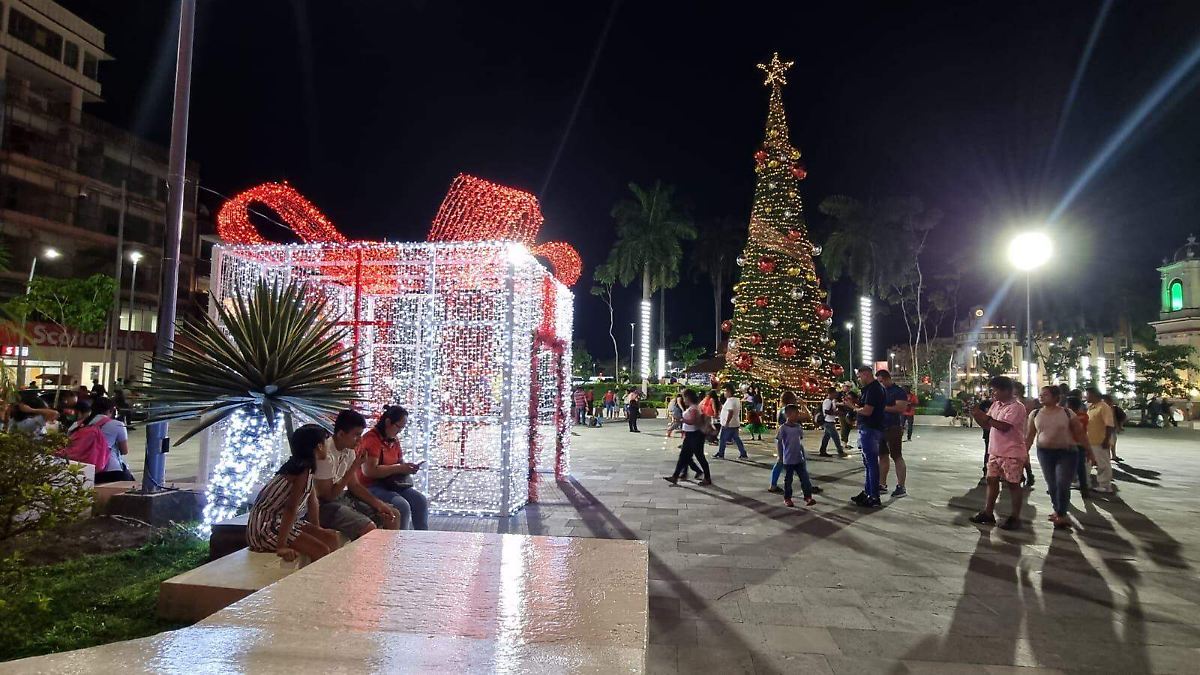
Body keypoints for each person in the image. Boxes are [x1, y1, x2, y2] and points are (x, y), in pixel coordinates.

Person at [247, 424, 341, 562]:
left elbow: (312, 501)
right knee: (321, 550)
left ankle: (331, 580)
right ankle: (315, 582)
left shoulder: (306, 468)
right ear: (319, 446)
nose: (328, 445)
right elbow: (290, 508)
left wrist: (317, 529)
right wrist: (282, 546)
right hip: (266, 527)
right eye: (326, 441)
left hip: (280, 522)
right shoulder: (301, 471)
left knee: (331, 537)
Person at [314, 409, 400, 540]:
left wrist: (379, 504)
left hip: (343, 497)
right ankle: (368, 560)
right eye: (356, 435)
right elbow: (328, 496)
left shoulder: (349, 451)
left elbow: (354, 485)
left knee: (393, 514)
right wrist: (354, 466)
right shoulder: (325, 454)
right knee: (368, 527)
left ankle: (388, 557)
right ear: (341, 434)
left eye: (361, 435)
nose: (360, 440)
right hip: (323, 505)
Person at [969, 376, 1029, 530]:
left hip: (1012, 452)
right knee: (991, 480)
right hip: (995, 451)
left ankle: (1015, 517)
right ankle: (988, 513)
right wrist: (977, 415)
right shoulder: (996, 405)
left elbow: (1004, 426)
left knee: (1013, 484)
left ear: (1007, 390)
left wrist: (985, 417)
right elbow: (987, 425)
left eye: (995, 390)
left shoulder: (1017, 407)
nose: (993, 393)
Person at [357, 406, 429, 530]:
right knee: (402, 505)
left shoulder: (394, 440)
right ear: (388, 422)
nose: (399, 431)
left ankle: (422, 539)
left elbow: (400, 462)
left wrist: (408, 468)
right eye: (398, 427)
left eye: (402, 428)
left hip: (392, 483)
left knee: (420, 500)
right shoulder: (371, 440)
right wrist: (398, 468)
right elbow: (369, 471)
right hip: (371, 486)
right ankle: (400, 542)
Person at [1026, 386, 1088, 529]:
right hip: (1045, 453)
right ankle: (1057, 509)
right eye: (1040, 394)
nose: (1041, 397)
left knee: (1062, 483)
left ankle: (1061, 514)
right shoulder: (1035, 414)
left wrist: (1088, 450)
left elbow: (1080, 433)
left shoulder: (1067, 412)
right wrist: (1025, 452)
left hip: (1067, 452)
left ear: (1056, 397)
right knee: (1052, 484)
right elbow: (1030, 435)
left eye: (1045, 394)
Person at [851, 367, 886, 508]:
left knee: (871, 463)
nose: (859, 380)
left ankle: (874, 496)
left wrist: (852, 407)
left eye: (860, 377)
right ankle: (868, 493)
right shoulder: (874, 388)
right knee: (868, 463)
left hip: (870, 429)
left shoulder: (873, 389)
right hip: (871, 428)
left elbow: (867, 410)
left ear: (866, 374)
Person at [663, 389, 712, 486]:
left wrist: (681, 420)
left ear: (688, 397)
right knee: (683, 456)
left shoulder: (693, 408)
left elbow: (692, 421)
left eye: (684, 397)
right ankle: (675, 476)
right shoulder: (692, 407)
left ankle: (707, 477)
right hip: (690, 435)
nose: (683, 399)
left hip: (695, 435)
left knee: (700, 457)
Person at [85, 397, 135, 484]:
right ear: (110, 411)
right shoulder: (117, 425)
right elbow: (124, 451)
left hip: (88, 471)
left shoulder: (79, 425)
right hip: (112, 470)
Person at [777, 404, 816, 507]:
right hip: (788, 459)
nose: (797, 416)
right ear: (787, 415)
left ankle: (808, 497)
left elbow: (800, 441)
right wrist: (780, 456)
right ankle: (787, 498)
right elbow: (779, 442)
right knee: (788, 480)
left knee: (805, 479)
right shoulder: (783, 428)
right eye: (795, 414)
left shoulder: (798, 427)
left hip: (799, 458)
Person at [877, 370, 909, 498]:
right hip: (881, 427)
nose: (880, 384)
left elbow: (901, 408)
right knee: (883, 456)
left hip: (893, 427)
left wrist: (882, 408)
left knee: (896, 456)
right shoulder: (880, 391)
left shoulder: (898, 391)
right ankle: (882, 484)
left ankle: (901, 486)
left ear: (887, 379)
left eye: (881, 381)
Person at [1084, 387, 1116, 494]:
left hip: (1100, 441)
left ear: (1094, 395)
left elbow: (1109, 425)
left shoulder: (1103, 407)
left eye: (1088, 394)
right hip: (1090, 441)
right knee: (1087, 463)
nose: (1086, 396)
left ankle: (1105, 485)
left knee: (1103, 464)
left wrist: (1106, 440)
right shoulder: (1091, 407)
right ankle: (1085, 482)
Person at [1065, 396, 1094, 499]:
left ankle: (1062, 489)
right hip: (1080, 445)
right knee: (1080, 468)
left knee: (1066, 469)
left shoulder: (1070, 417)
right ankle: (1084, 489)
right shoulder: (1084, 416)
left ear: (1069, 405)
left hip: (1069, 444)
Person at [713, 383, 748, 459]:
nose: (724, 393)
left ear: (729, 391)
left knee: (722, 439)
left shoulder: (730, 401)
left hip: (729, 424)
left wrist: (726, 422)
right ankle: (743, 453)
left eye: (725, 391)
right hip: (734, 423)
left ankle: (721, 453)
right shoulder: (736, 400)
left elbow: (730, 412)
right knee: (736, 438)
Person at [1013, 382, 1037, 488]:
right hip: (1018, 428)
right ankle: (1025, 474)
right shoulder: (1016, 401)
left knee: (1022, 453)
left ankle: (1026, 474)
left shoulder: (1027, 402)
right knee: (1020, 453)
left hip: (1024, 428)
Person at [816, 387, 847, 458]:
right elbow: (826, 411)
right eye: (835, 392)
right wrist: (835, 413)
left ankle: (822, 451)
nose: (836, 394)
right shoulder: (827, 401)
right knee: (835, 437)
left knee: (826, 437)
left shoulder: (831, 401)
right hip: (828, 422)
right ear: (831, 393)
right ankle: (840, 451)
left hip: (829, 421)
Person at [1101, 394, 1126, 462]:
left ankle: (1112, 456)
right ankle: (1110, 456)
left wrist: (1119, 426)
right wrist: (1119, 426)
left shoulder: (1112, 408)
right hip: (1106, 428)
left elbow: (1117, 418)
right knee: (1109, 442)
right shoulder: (1107, 408)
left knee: (1111, 442)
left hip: (1110, 428)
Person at [837, 383, 857, 449]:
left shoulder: (852, 394)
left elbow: (857, 401)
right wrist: (842, 404)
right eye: (846, 386)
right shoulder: (839, 394)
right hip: (842, 412)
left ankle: (845, 442)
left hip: (850, 413)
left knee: (848, 427)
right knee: (844, 427)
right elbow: (834, 402)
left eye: (848, 387)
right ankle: (843, 442)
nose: (847, 388)